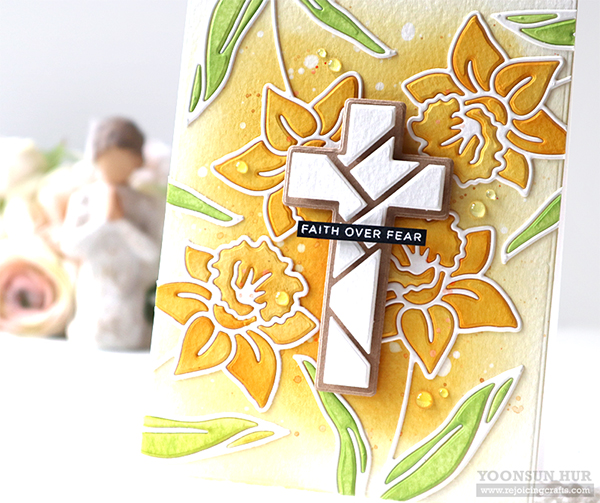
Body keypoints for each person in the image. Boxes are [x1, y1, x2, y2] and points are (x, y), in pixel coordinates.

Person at [61, 118, 165, 349]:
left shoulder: (146, 204)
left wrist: (121, 224)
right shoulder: (84, 199)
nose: (116, 166)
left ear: (137, 161)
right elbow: (70, 246)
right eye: (109, 159)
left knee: (127, 330)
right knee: (93, 327)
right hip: (94, 283)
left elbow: (153, 255)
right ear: (96, 157)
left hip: (129, 286)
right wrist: (103, 222)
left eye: (124, 159)